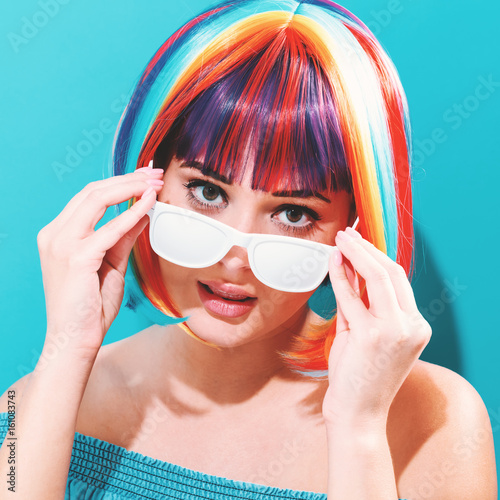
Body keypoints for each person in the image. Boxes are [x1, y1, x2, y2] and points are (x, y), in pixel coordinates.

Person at [0, 0, 497, 498]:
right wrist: (66, 351)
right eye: (208, 192)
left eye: (294, 214)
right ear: (150, 183)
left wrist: (359, 429)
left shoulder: (436, 420)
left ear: (356, 225)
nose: (234, 258)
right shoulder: (33, 405)